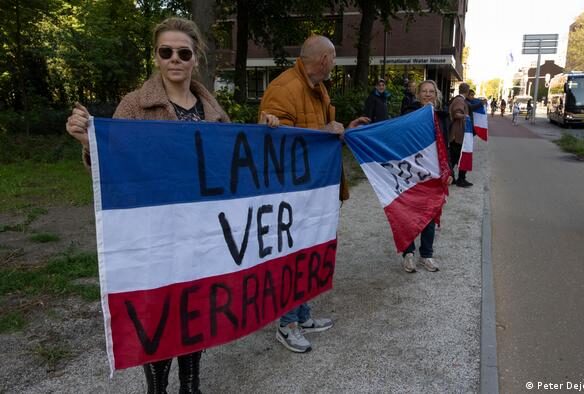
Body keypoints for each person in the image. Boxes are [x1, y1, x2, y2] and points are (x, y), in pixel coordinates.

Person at [65, 17, 280, 394]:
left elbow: (230, 164)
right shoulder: (133, 105)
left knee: (196, 304)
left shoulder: (213, 110)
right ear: (156, 57)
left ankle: (191, 383)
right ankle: (157, 388)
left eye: (184, 52)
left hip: (202, 229)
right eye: (166, 52)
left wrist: (262, 134)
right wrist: (88, 143)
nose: (175, 59)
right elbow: (115, 164)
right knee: (160, 309)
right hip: (156, 230)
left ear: (195, 58)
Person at [258, 34, 369, 354]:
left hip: (316, 192)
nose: (333, 64)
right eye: (333, 59)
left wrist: (346, 130)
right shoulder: (284, 88)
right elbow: (274, 142)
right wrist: (325, 132)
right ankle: (286, 323)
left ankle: (302, 316)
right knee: (293, 257)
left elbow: (322, 138)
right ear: (323, 59)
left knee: (311, 254)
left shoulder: (317, 88)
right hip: (293, 195)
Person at [400, 80, 453, 273]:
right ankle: (408, 254)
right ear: (418, 94)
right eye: (424, 91)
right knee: (408, 214)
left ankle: (427, 255)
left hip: (433, 173)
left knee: (430, 213)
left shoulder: (441, 117)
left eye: (432, 91)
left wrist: (449, 170)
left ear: (436, 94)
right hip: (412, 172)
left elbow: (445, 145)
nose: (428, 94)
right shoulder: (408, 114)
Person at [448, 83, 485, 187]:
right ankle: (460, 179)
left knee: (454, 158)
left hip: (457, 134)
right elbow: (456, 113)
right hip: (458, 134)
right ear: (467, 91)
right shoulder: (460, 100)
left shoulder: (458, 99)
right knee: (460, 156)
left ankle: (453, 177)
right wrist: (466, 116)